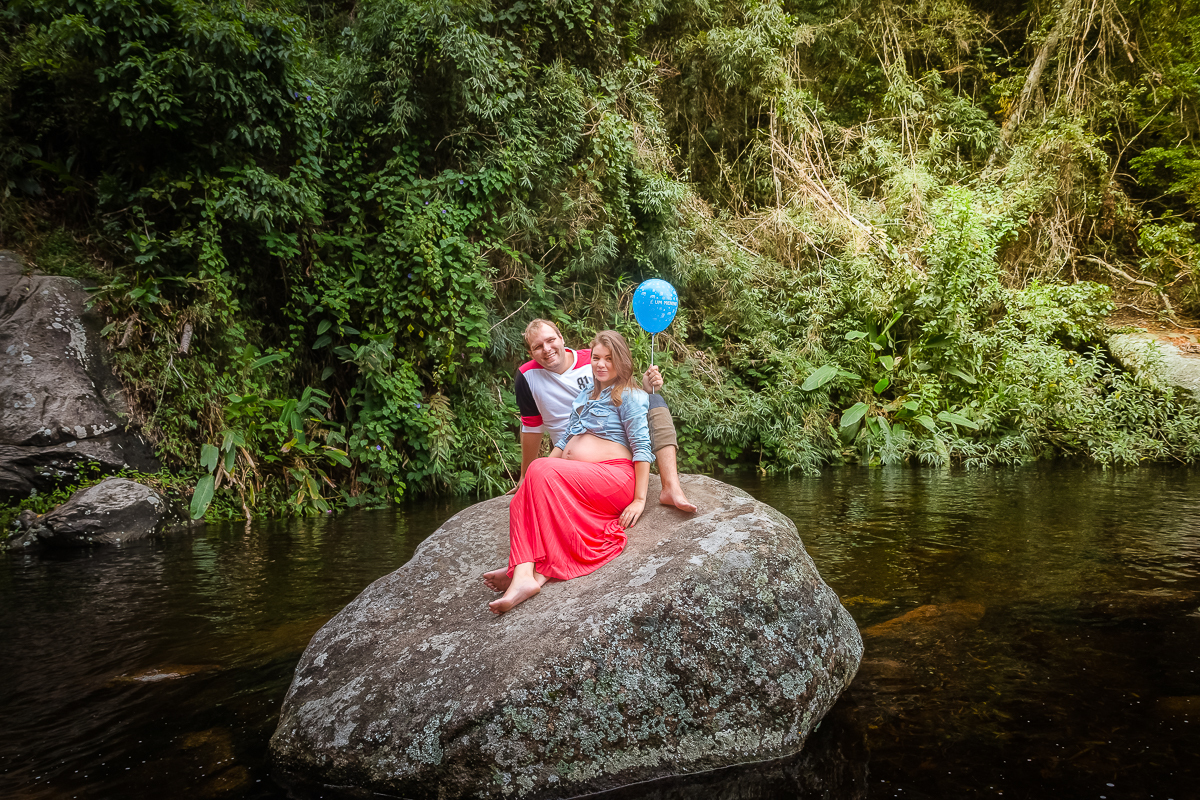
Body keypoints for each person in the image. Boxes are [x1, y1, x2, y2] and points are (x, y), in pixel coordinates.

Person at [484, 330, 653, 614]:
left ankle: (525, 572)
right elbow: (564, 440)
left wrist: (639, 499)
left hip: (614, 478)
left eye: (609, 359)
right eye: (596, 358)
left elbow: (642, 448)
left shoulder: (631, 395)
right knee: (522, 498)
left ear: (621, 361)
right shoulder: (587, 392)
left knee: (539, 470)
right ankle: (527, 573)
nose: (600, 364)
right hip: (583, 478)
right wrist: (540, 476)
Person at [513, 318, 696, 513]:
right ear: (531, 353)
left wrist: (646, 389)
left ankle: (671, 486)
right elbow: (532, 427)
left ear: (561, 338)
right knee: (525, 498)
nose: (547, 349)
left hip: (608, 457)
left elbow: (624, 393)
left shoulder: (590, 359)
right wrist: (526, 475)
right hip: (566, 453)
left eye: (550, 340)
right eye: (538, 346)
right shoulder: (527, 376)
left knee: (654, 401)